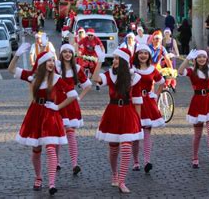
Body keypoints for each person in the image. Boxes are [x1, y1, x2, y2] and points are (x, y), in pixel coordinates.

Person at [8, 45, 78, 195]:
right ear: (42, 64)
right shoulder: (33, 77)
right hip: (35, 114)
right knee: (36, 150)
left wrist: (58, 107)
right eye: (49, 61)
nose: (52, 63)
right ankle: (38, 177)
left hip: (51, 115)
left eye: (53, 60)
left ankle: (51, 183)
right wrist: (17, 55)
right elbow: (11, 70)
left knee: (51, 148)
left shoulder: (58, 79)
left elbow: (72, 95)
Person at [92, 47, 143, 194]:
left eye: (117, 58)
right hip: (113, 112)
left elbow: (138, 101)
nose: (114, 61)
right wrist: (100, 61)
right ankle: (114, 174)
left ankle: (122, 181)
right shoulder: (109, 75)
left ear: (124, 61)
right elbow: (95, 78)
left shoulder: (134, 77)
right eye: (113, 58)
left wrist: (138, 121)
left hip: (128, 112)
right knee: (114, 149)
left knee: (126, 147)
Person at [178, 49, 209, 170]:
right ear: (196, 59)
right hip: (197, 103)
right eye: (199, 57)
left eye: (204, 57)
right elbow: (180, 71)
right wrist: (187, 58)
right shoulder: (192, 71)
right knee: (197, 135)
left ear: (207, 58)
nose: (202, 59)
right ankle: (195, 157)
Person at [55, 43, 93, 175]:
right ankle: (56, 162)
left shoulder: (77, 68)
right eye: (64, 52)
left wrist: (79, 98)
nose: (67, 54)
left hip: (71, 105)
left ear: (72, 54)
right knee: (57, 135)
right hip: (58, 104)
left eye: (69, 52)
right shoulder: (56, 67)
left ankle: (75, 163)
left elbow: (87, 85)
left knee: (71, 134)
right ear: (61, 54)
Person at [131, 44, 166, 173]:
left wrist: (155, 95)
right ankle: (135, 161)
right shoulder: (132, 69)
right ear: (137, 55)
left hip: (147, 103)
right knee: (135, 133)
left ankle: (147, 161)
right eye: (141, 53)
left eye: (146, 53)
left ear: (149, 55)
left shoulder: (152, 69)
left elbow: (162, 82)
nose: (143, 55)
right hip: (134, 102)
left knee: (146, 133)